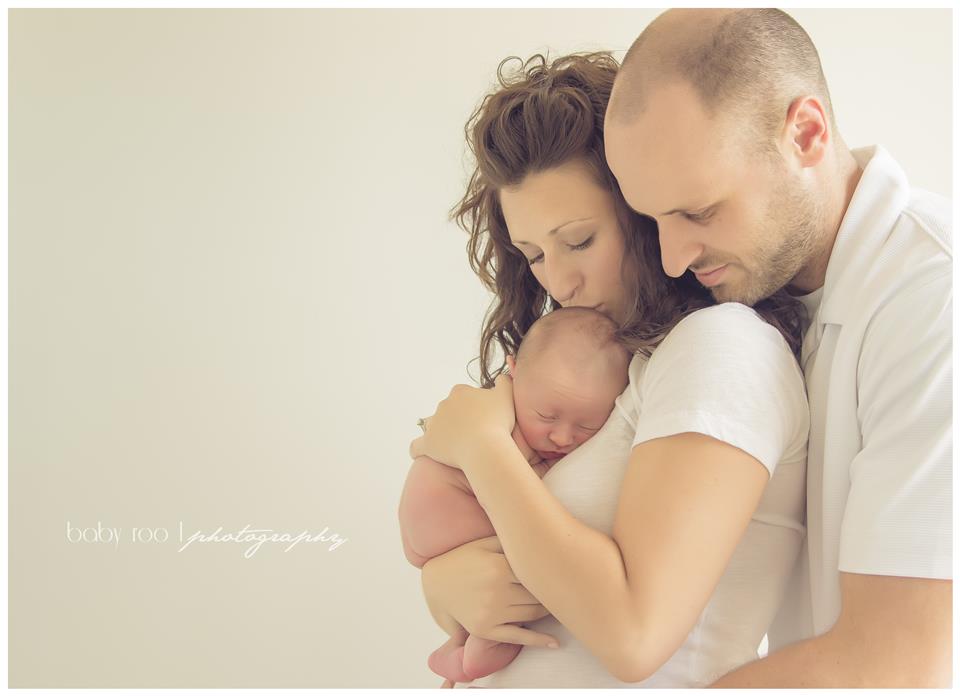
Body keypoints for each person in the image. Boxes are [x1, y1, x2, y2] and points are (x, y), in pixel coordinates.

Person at [407, 52, 810, 688]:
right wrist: (442, 583)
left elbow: (633, 637)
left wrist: (483, 448)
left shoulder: (721, 345)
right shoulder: (617, 370)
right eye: (534, 254)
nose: (559, 282)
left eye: (579, 241)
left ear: (644, 210)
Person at [601, 8, 952, 687]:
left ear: (806, 134)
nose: (672, 258)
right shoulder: (751, 298)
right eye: (653, 219)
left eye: (699, 211)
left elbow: (899, 665)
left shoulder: (936, 298)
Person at [398, 307, 631, 683]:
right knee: (527, 585)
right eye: (547, 416)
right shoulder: (500, 418)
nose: (562, 437)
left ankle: (458, 646)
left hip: (430, 533)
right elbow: (517, 486)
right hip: (449, 512)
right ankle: (473, 652)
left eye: (586, 425)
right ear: (513, 371)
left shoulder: (502, 408)